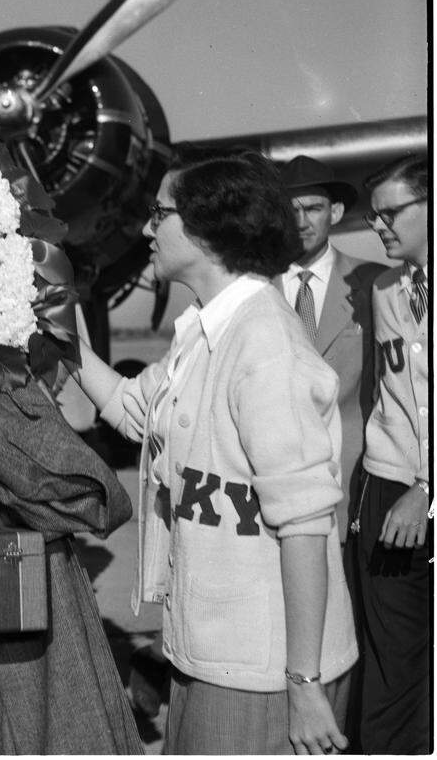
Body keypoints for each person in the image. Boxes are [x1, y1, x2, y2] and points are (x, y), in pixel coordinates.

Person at [73, 155, 357, 754]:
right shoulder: (206, 331)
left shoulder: (266, 345)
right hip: (211, 651)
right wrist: (66, 345)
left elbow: (305, 525)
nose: (147, 230)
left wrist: (304, 685)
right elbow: (135, 412)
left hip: (264, 671)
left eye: (160, 214)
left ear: (206, 229)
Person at [353, 153, 430, 754]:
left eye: (391, 213)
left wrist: (427, 490)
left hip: (421, 495)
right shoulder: (384, 289)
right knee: (392, 661)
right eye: (373, 215)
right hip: (388, 485)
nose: (378, 226)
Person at [281, 157, 386, 551]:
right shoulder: (256, 288)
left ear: (336, 212)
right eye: (289, 210)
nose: (301, 221)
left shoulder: (373, 283)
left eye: (313, 208)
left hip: (351, 480)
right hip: (275, 485)